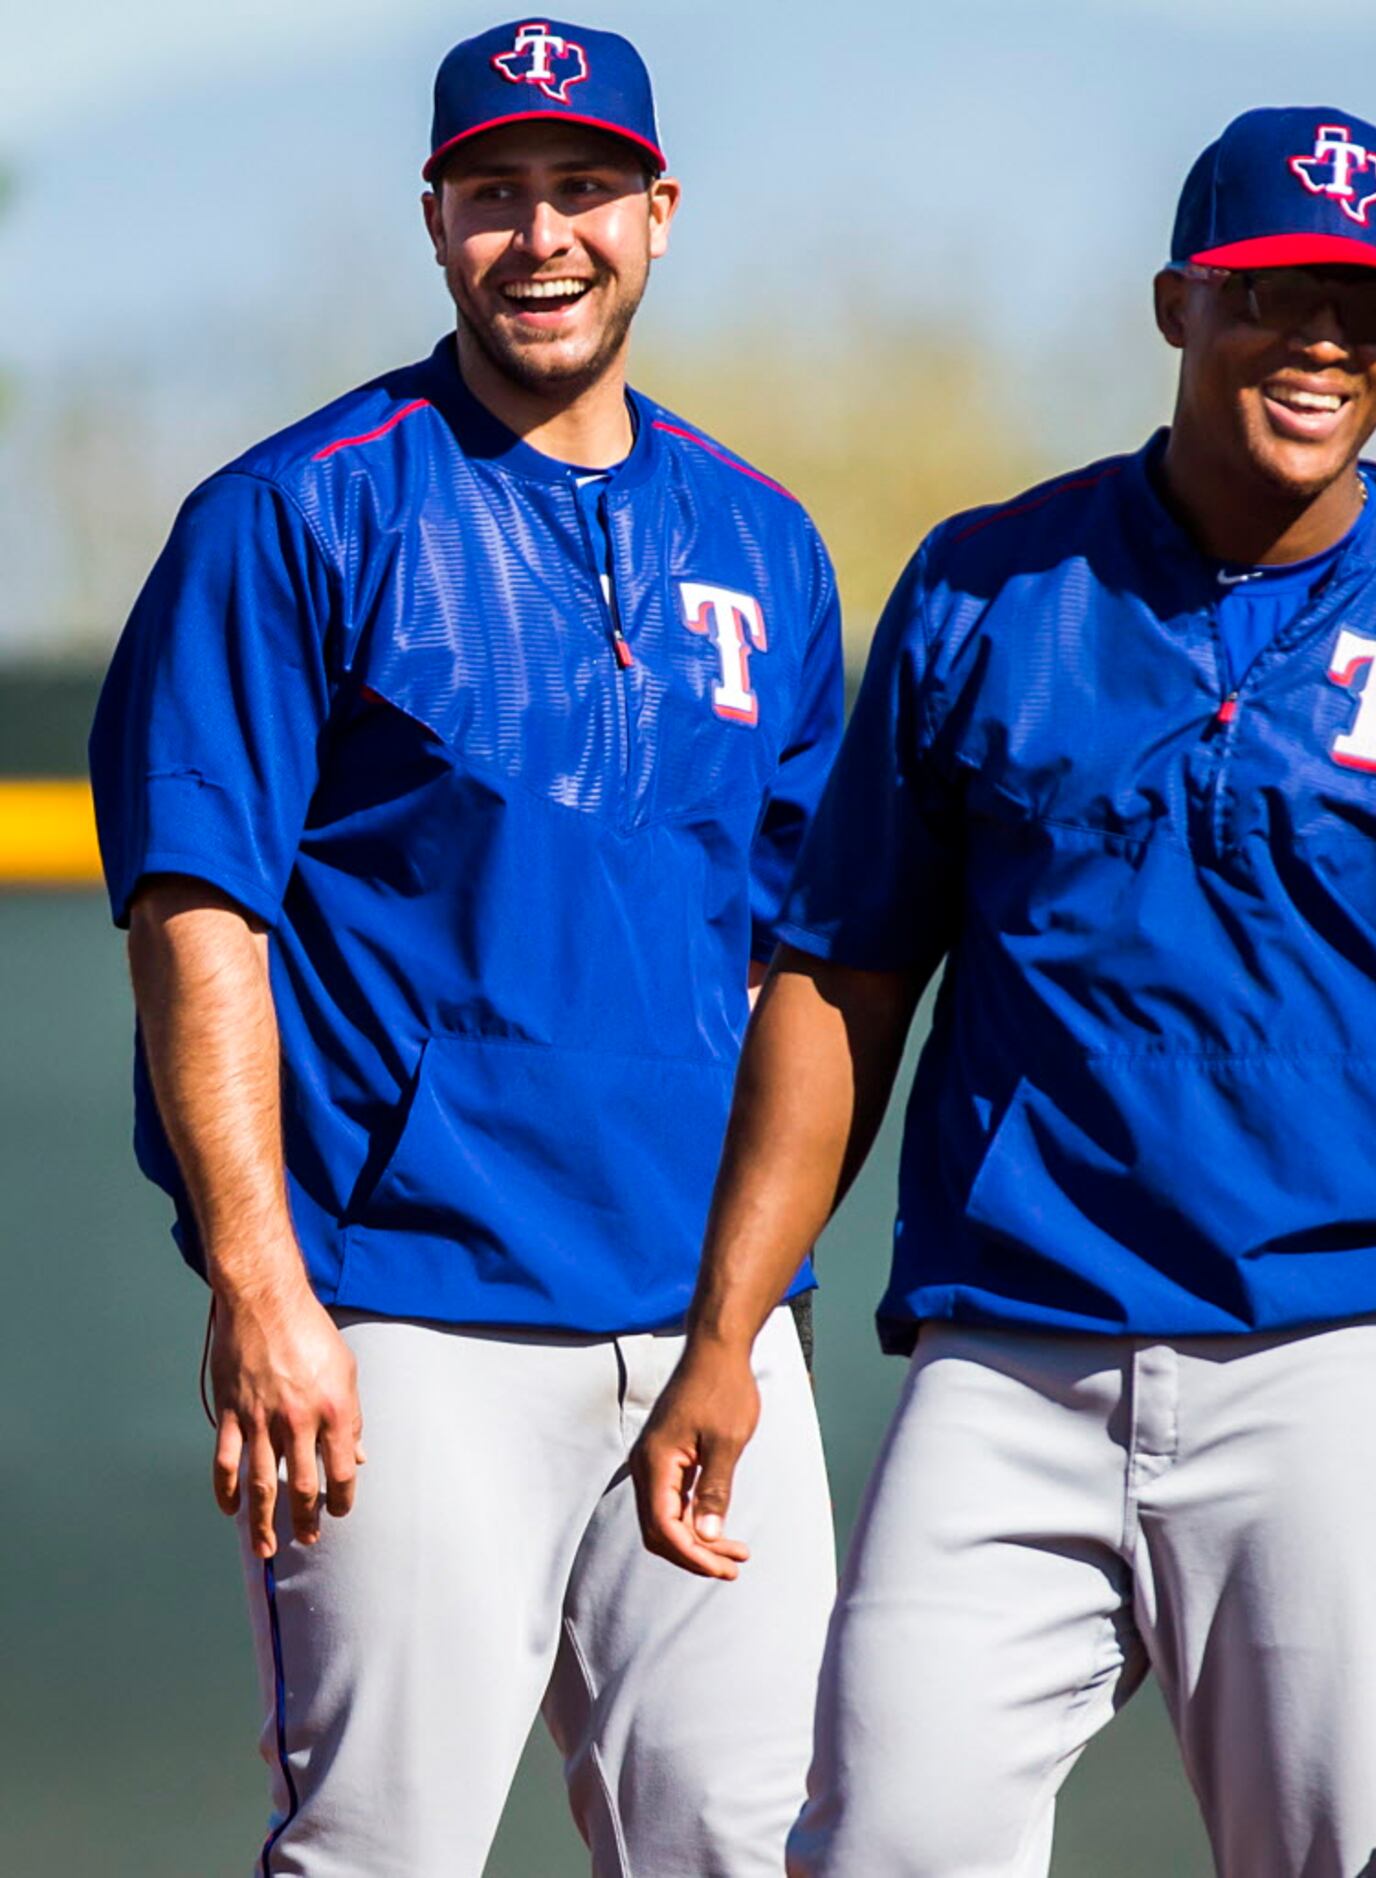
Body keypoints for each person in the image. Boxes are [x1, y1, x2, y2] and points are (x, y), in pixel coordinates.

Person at [630, 106, 1376, 1877]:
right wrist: (723, 1333)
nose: (1322, 341)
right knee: (881, 1841)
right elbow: (839, 981)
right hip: (1007, 1360)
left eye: (1368, 308)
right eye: (1272, 296)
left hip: (1336, 1370)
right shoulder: (985, 583)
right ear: (1178, 303)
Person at [89, 19, 841, 1876]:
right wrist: (265, 1285)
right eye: (494, 193)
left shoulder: (763, 540)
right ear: (433, 221)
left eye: (583, 189)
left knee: (752, 1850)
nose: (542, 235)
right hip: (402, 1322)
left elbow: (798, 960)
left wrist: (746, 1321)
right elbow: (200, 917)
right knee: (381, 1850)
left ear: (660, 214)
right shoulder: (294, 509)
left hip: (700, 1328)